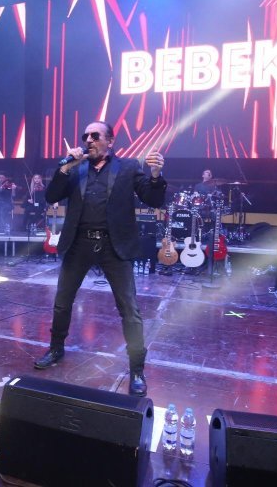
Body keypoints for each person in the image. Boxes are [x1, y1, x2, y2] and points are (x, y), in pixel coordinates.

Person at [33, 121, 167, 397]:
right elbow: (51, 196)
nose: (89, 140)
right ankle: (56, 349)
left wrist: (155, 174)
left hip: (113, 245)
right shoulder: (76, 169)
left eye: (95, 136)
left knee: (129, 308)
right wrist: (65, 167)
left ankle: (137, 369)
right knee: (62, 302)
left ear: (110, 141)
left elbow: (153, 199)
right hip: (78, 243)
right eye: (86, 136)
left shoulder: (128, 167)